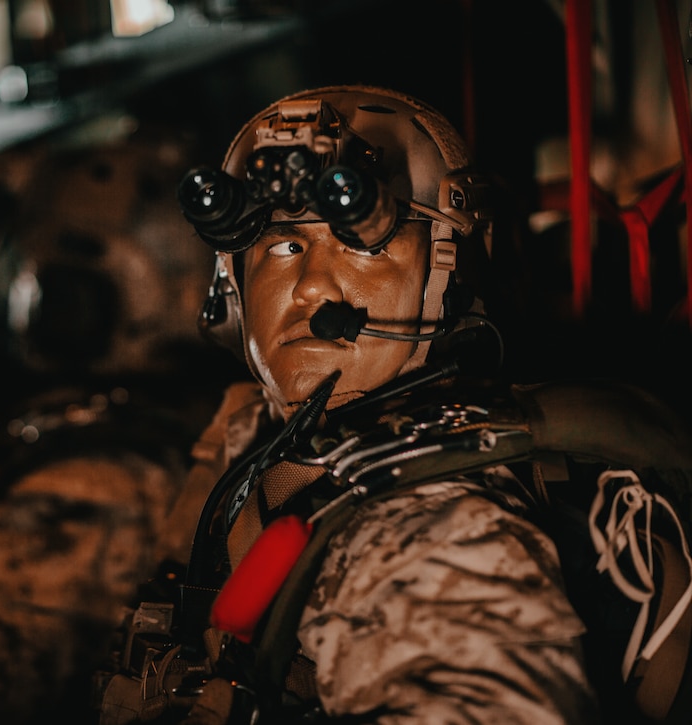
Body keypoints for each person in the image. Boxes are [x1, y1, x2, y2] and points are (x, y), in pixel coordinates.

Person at [91, 85, 692, 725]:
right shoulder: (249, 446)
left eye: (361, 245)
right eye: (283, 247)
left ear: (447, 281)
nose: (313, 285)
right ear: (233, 290)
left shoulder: (432, 536)